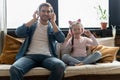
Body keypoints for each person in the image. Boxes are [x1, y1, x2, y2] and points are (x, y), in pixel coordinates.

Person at [9, 2, 66, 80]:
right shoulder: (32, 26)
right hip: (29, 57)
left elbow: (61, 39)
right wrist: (33, 19)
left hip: (48, 57)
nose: (46, 13)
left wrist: (53, 22)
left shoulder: (53, 28)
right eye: (43, 11)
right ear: (38, 12)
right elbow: (18, 32)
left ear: (51, 14)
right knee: (15, 68)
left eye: (48, 11)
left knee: (60, 65)